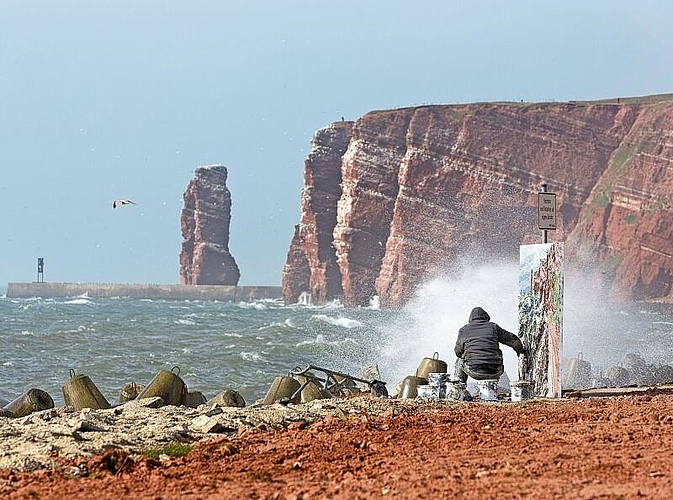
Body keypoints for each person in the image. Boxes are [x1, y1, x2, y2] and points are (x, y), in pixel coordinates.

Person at [453, 306, 526, 383]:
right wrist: (520, 351)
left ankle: (459, 388)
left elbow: (458, 352)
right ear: (486, 317)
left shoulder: (464, 330)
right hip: (495, 371)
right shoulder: (493, 327)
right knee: (495, 358)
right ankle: (492, 389)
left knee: (459, 361)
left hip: (474, 370)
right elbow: (513, 340)